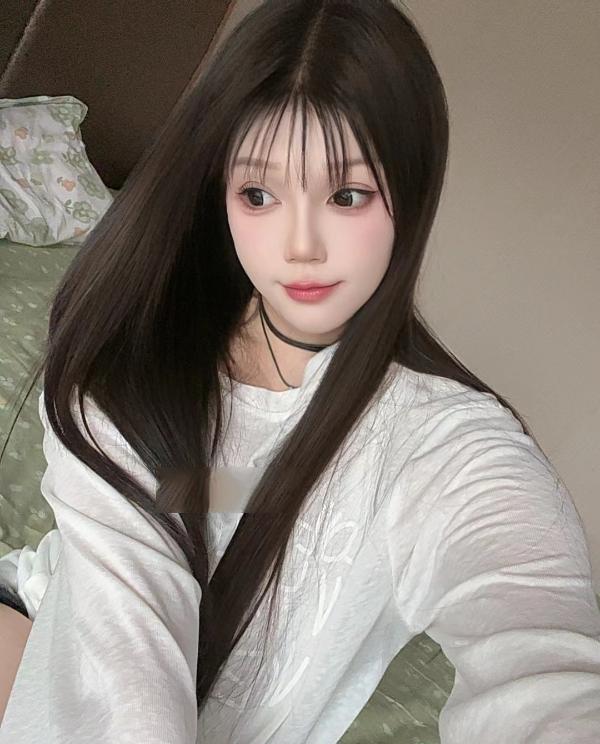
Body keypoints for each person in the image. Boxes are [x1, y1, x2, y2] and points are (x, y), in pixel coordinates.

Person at [1, 0, 600, 741]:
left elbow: (540, 648)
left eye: (347, 195)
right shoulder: (132, 360)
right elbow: (127, 669)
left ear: (411, 195)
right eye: (259, 194)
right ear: (220, 193)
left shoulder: (446, 446)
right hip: (39, 624)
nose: (300, 245)